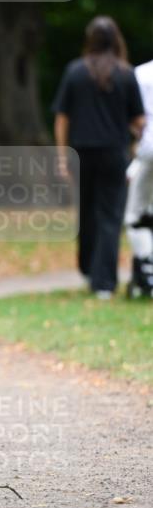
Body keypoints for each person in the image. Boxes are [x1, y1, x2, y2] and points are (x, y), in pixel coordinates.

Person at [53, 16, 145, 298]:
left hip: (81, 152)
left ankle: (88, 267)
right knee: (109, 216)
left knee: (87, 212)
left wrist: (61, 154)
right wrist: (134, 142)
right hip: (113, 153)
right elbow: (139, 121)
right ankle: (104, 283)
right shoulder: (125, 74)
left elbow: (62, 117)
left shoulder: (74, 72)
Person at [124, 59, 153, 297]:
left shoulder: (141, 73)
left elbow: (136, 119)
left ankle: (146, 269)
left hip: (148, 151)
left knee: (135, 215)